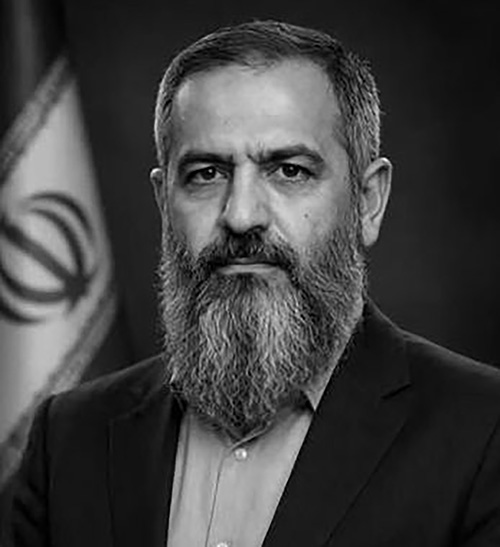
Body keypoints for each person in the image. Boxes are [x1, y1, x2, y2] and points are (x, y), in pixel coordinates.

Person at [3, 19, 500, 547]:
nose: (241, 216)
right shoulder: (69, 438)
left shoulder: (484, 432)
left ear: (368, 201)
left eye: (289, 170)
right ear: (164, 204)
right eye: (207, 173)